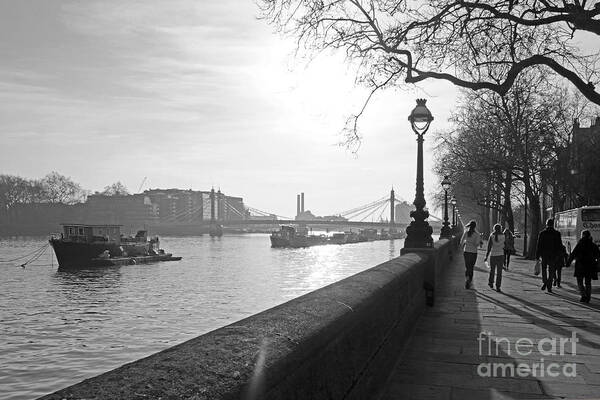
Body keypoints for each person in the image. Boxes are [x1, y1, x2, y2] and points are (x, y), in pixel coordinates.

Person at [566, 230, 600, 303]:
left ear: (583, 236)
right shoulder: (593, 245)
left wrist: (568, 263)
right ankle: (588, 297)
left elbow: (573, 254)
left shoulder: (580, 244)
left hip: (580, 266)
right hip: (590, 266)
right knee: (588, 282)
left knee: (580, 282)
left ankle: (583, 295)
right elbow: (598, 255)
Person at [535, 218, 564, 293]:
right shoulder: (557, 233)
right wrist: (558, 255)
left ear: (546, 224)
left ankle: (545, 281)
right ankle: (549, 286)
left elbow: (539, 245)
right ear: (553, 224)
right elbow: (559, 246)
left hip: (544, 255)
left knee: (544, 269)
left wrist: (537, 256)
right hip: (553, 255)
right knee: (551, 271)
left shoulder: (542, 233)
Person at [460, 220, 481, 289]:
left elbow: (461, 241)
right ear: (475, 226)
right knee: (471, 267)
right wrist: (479, 243)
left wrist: (466, 242)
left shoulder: (466, 232)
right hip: (473, 252)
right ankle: (470, 281)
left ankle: (467, 279)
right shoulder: (477, 234)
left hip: (466, 251)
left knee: (467, 267)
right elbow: (477, 244)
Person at [485, 224, 505, 292]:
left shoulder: (491, 236)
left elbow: (489, 246)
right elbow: (505, 245)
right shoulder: (503, 236)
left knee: (492, 270)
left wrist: (486, 256)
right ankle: (498, 286)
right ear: (501, 229)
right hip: (501, 255)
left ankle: (491, 282)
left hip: (493, 255)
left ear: (494, 229)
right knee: (499, 272)